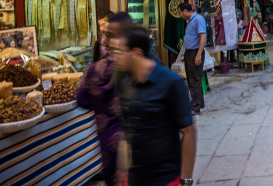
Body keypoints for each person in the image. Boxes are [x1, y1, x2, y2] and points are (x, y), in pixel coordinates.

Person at [110, 25, 196, 186]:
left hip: (166, 178)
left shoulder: (171, 82)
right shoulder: (124, 82)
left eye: (120, 52)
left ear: (136, 53)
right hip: (136, 177)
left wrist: (185, 181)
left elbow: (189, 131)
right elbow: (126, 133)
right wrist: (122, 173)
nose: (114, 57)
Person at [77, 13, 127, 186]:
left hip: (106, 140)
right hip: (129, 141)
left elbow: (82, 100)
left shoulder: (92, 71)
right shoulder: (128, 67)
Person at [178, 2, 207, 115]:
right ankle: (200, 102)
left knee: (194, 80)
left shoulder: (198, 19)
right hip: (189, 53)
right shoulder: (190, 21)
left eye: (180, 13)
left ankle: (195, 107)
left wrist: (198, 54)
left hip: (195, 52)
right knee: (192, 79)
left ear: (185, 11)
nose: (180, 15)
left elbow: (203, 36)